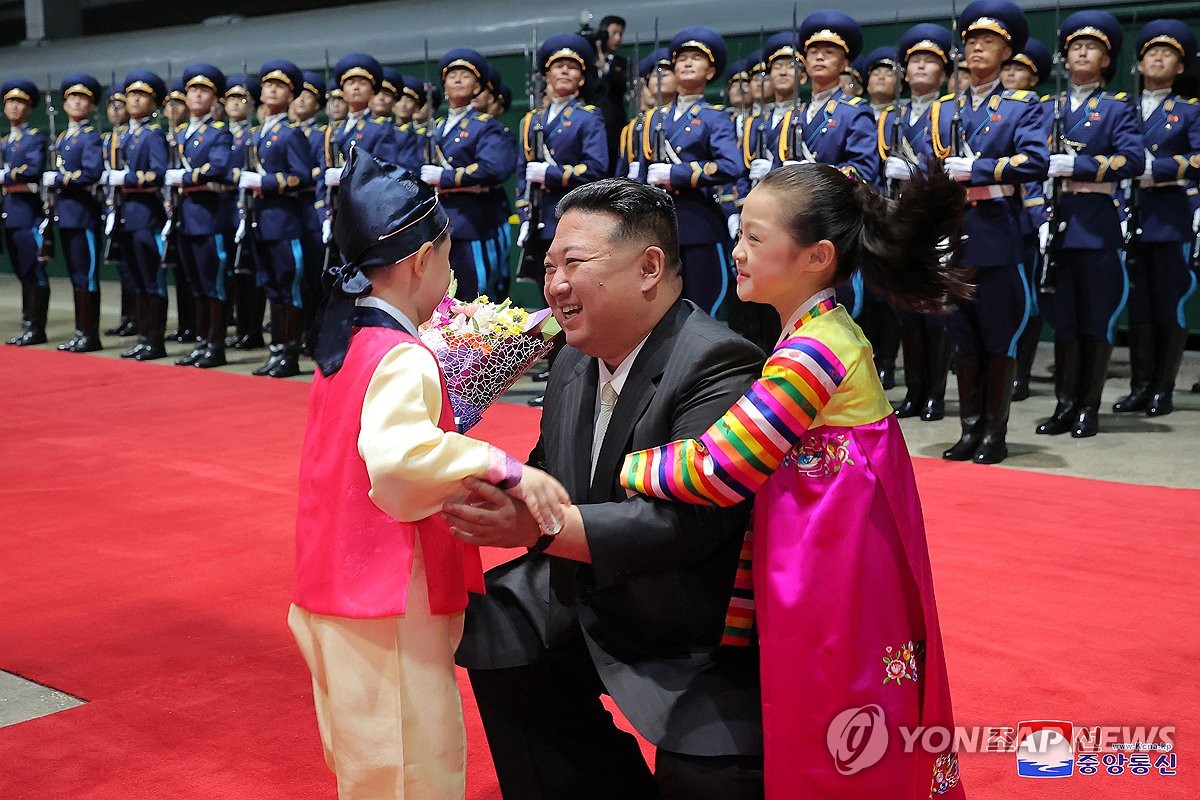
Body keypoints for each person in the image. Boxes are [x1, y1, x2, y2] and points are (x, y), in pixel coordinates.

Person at [620, 162, 970, 798]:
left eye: (755, 238)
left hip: (836, 583)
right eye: (740, 233)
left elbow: (720, 467)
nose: (738, 251)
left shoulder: (812, 351)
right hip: (848, 568)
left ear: (817, 255)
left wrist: (625, 465)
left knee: (837, 719)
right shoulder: (821, 331)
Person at [447, 179, 766, 799]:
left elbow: (684, 527)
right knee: (494, 628)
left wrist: (539, 525)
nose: (555, 284)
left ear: (649, 267)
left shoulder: (719, 363)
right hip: (585, 591)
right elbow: (552, 476)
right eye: (548, 266)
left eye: (574, 264)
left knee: (709, 781)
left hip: (684, 622)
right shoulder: (572, 356)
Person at [291, 148, 568, 800]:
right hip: (386, 587)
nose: (452, 271)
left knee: (367, 757)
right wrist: (501, 466)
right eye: (447, 257)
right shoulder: (400, 355)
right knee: (412, 759)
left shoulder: (350, 340)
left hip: (335, 577)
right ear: (421, 261)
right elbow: (397, 461)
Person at [933, 0, 1048, 463]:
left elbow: (1035, 161)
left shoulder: (1023, 106)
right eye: (972, 41)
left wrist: (979, 168)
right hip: (954, 231)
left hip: (997, 228)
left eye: (990, 42)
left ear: (1007, 53)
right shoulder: (945, 108)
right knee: (962, 335)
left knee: (997, 334)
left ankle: (994, 433)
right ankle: (969, 427)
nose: (978, 48)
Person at [1034, 11, 1142, 438]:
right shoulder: (1048, 107)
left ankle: (1087, 407)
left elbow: (1133, 159)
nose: (1081, 51)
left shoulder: (1117, 108)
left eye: (1091, 46)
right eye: (1075, 46)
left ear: (1105, 59)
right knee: (1064, 321)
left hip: (1094, 223)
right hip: (1056, 221)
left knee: (1094, 320)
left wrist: (1079, 164)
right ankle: (1064, 404)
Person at [1112, 20, 1200, 417]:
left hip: (1168, 214)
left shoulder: (1188, 111)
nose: (1158, 59)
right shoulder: (1119, 109)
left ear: (1180, 68)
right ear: (1138, 65)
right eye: (1150, 53)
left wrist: (1159, 169)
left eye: (1168, 55)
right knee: (1139, 309)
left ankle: (1163, 388)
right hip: (1126, 215)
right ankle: (1140, 386)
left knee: (1168, 305)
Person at [637, 27, 743, 317]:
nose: (686, 63)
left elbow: (732, 165)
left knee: (702, 306)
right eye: (681, 58)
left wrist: (679, 174)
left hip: (698, 224)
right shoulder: (653, 120)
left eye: (696, 58)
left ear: (709, 72)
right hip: (658, 225)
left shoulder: (714, 117)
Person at [880, 23, 956, 422]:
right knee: (905, 311)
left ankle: (935, 394)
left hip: (935, 222)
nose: (921, 68)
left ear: (942, 72)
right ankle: (914, 390)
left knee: (934, 311)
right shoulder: (893, 116)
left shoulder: (953, 112)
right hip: (900, 221)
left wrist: (916, 170)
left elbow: (956, 161)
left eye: (930, 61)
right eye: (914, 62)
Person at [236, 59, 317, 378]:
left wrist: (267, 182)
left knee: (289, 288)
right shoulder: (256, 134)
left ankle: (289, 352)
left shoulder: (289, 134)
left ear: (291, 95)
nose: (271, 89)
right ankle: (276, 349)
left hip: (285, 223)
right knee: (271, 287)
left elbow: (302, 176)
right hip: (261, 221)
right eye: (268, 84)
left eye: (279, 86)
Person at [419, 48, 516, 300]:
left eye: (465, 75)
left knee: (476, 291)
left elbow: (492, 168)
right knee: (442, 294)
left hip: (472, 221)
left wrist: (445, 178)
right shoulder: (436, 128)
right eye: (452, 76)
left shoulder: (484, 125)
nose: (458, 79)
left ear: (477, 87)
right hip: (439, 222)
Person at [515, 33, 609, 289]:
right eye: (558, 66)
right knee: (544, 287)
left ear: (581, 78)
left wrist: (551, 173)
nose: (565, 71)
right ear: (547, 74)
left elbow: (596, 168)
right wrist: (525, 219)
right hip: (539, 219)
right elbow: (522, 175)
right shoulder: (531, 121)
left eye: (573, 67)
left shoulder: (588, 118)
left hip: (573, 214)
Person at [165, 63, 233, 369]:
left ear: (214, 98)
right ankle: (201, 342)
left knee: (213, 284)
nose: (196, 95)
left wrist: (187, 176)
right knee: (195, 284)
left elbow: (218, 167)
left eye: (203, 90)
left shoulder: (217, 133)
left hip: (208, 216)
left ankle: (215, 346)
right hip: (185, 216)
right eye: (192, 90)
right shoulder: (178, 134)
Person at [1001, 37, 1053, 402]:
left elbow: (1036, 166)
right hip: (1001, 214)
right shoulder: (988, 111)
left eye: (1019, 69)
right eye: (1009, 67)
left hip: (1027, 215)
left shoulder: (1038, 109)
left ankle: (1021, 372)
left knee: (1027, 298)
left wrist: (1040, 213)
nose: (1011, 75)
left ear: (1033, 78)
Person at [108, 70, 170, 361]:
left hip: (147, 215)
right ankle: (143, 336)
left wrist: (128, 178)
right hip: (128, 216)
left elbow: (158, 173)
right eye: (131, 94)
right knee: (137, 280)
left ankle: (154, 340)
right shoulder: (124, 136)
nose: (134, 99)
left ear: (153, 103)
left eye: (142, 95)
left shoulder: (152, 134)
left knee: (151, 279)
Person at [43, 74, 104, 352]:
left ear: (91, 106)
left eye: (83, 99)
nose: (77, 102)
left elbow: (91, 172)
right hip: (67, 214)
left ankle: (89, 334)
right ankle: (80, 330)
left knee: (86, 275)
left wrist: (61, 179)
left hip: (83, 214)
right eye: (71, 98)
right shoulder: (64, 137)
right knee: (76, 275)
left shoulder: (90, 137)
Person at [2, 78, 48, 346]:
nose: (15, 107)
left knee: (33, 272)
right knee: (21, 272)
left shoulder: (34, 140)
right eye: (10, 102)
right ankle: (26, 323)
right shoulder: (6, 141)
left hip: (29, 214)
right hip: (10, 213)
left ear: (29, 108)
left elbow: (32, 170)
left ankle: (35, 326)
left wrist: (6, 176)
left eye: (20, 102)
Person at [222, 73, 266, 352]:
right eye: (231, 98)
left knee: (252, 273)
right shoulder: (220, 134)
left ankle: (253, 330)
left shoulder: (255, 135)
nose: (236, 104)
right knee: (233, 274)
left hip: (250, 211)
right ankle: (240, 327)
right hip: (225, 211)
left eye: (243, 99)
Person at [101, 83, 138, 339]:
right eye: (111, 107)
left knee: (136, 269)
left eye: (120, 106)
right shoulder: (108, 139)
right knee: (123, 268)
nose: (115, 111)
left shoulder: (130, 137)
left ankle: (138, 319)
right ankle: (127, 317)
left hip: (132, 206)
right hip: (114, 208)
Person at [587, 14, 629, 171]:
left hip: (614, 125)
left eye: (621, 34)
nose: (617, 39)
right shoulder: (587, 62)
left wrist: (605, 68)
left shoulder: (621, 63)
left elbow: (623, 83)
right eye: (613, 33)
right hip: (591, 123)